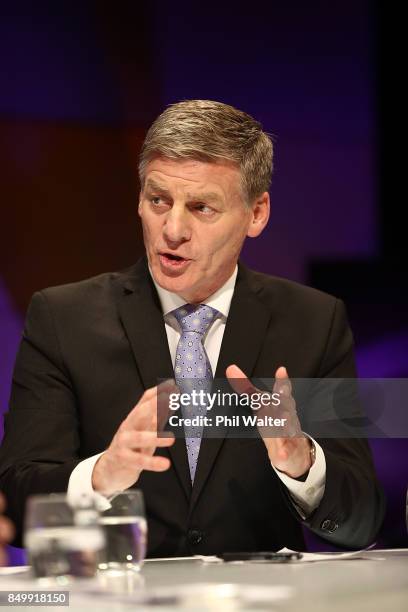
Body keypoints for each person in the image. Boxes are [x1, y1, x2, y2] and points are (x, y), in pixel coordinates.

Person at [0, 100, 385, 556]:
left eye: (202, 207)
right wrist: (101, 475)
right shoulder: (64, 319)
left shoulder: (312, 322)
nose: (173, 229)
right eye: (158, 200)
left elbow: (361, 522)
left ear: (257, 213)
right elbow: (15, 505)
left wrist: (304, 466)